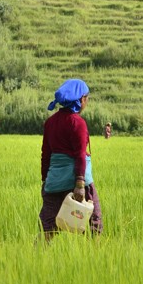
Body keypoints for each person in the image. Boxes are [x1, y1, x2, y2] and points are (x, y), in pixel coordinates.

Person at [39, 79, 102, 240]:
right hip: (77, 180)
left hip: (54, 182)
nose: (86, 102)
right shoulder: (78, 123)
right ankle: (97, 259)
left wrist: (45, 181)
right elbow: (80, 154)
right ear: (81, 100)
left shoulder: (50, 122)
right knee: (94, 224)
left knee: (47, 227)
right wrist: (80, 184)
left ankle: (35, 259)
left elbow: (45, 154)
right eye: (86, 98)